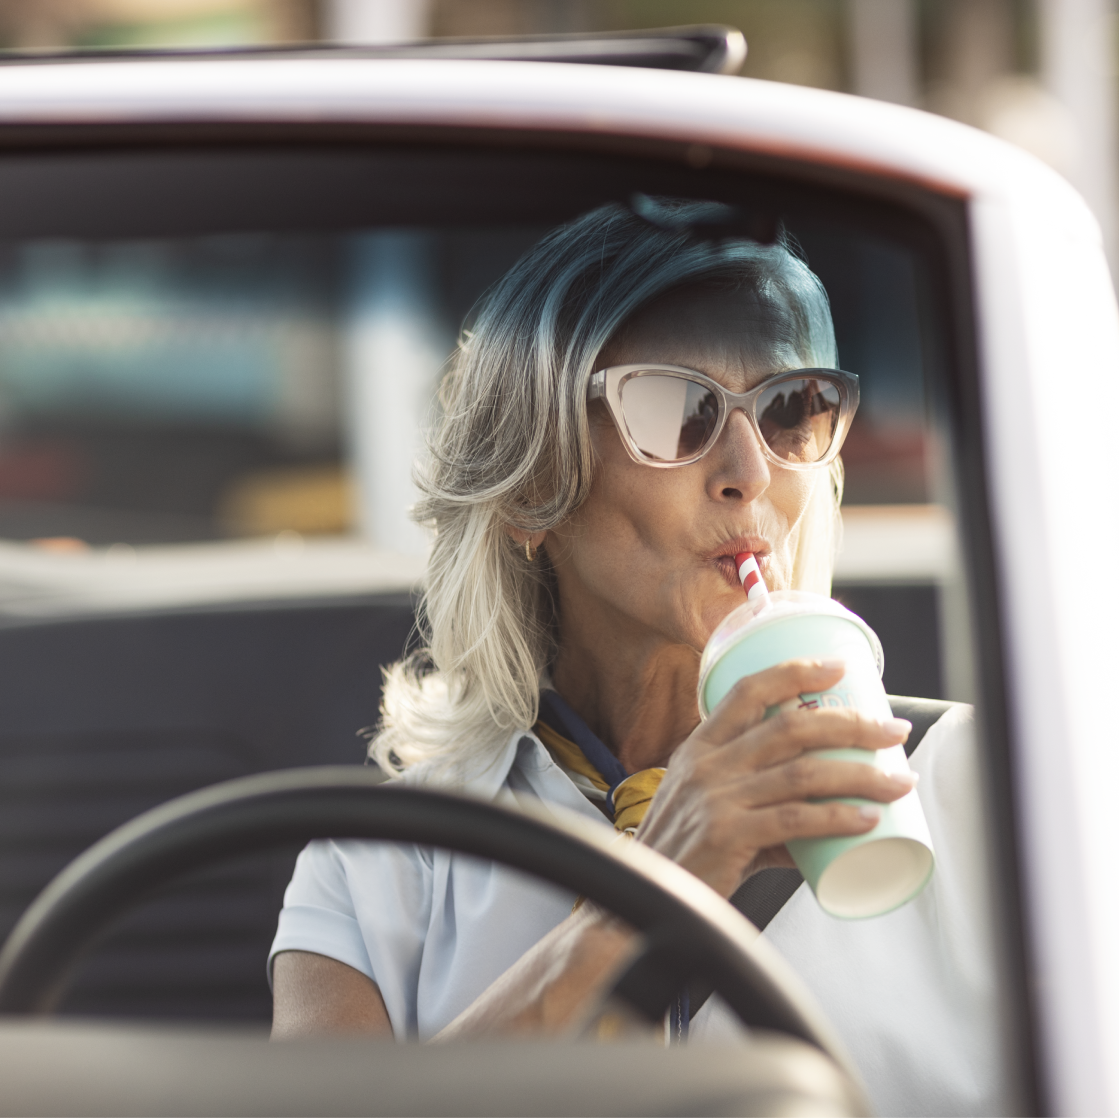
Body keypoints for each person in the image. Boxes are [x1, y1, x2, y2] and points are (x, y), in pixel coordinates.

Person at [269, 201, 996, 1116]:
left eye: (790, 410)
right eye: (677, 408)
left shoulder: (986, 789)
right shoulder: (379, 861)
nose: (750, 471)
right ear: (534, 486)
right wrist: (651, 886)